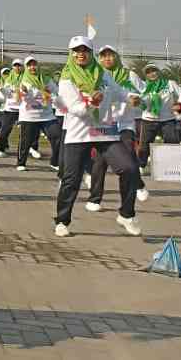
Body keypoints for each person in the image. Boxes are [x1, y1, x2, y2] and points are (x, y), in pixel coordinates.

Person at [54, 36, 143, 237]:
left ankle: (126, 215)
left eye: (84, 50)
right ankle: (62, 221)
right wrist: (91, 103)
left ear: (90, 52)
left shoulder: (103, 74)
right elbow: (74, 109)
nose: (80, 54)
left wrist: (131, 97)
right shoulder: (67, 78)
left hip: (106, 133)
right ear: (71, 54)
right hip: (79, 135)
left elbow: (119, 92)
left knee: (129, 168)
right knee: (71, 180)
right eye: (76, 50)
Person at [86, 45, 150, 208]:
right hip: (105, 125)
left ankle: (138, 185)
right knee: (99, 162)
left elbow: (146, 92)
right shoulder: (96, 76)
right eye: (103, 56)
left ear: (117, 57)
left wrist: (138, 100)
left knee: (128, 157)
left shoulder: (130, 75)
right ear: (99, 59)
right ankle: (95, 199)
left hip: (125, 123)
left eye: (110, 55)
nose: (107, 59)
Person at [134, 62, 181, 169]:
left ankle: (174, 166)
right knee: (144, 146)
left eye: (154, 71)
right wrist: (139, 102)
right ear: (146, 75)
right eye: (148, 72)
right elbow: (142, 103)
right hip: (148, 120)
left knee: (172, 142)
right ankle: (141, 166)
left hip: (168, 119)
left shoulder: (170, 83)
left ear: (159, 72)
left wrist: (179, 104)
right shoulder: (144, 86)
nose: (151, 74)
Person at [15, 57, 61, 171]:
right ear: (26, 67)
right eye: (29, 65)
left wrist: (50, 94)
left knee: (57, 137)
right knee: (25, 141)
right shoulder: (23, 81)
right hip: (29, 117)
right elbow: (21, 98)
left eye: (34, 65)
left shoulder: (46, 80)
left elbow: (57, 93)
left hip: (47, 116)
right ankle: (21, 163)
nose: (32, 67)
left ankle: (55, 161)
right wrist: (24, 93)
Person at [0, 59, 25, 159]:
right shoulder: (8, 79)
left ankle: (30, 149)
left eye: (19, 65)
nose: (17, 67)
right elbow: (6, 94)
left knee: (27, 131)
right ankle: (1, 149)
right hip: (10, 109)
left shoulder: (26, 78)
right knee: (5, 131)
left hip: (23, 109)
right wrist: (2, 90)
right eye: (15, 65)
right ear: (12, 67)